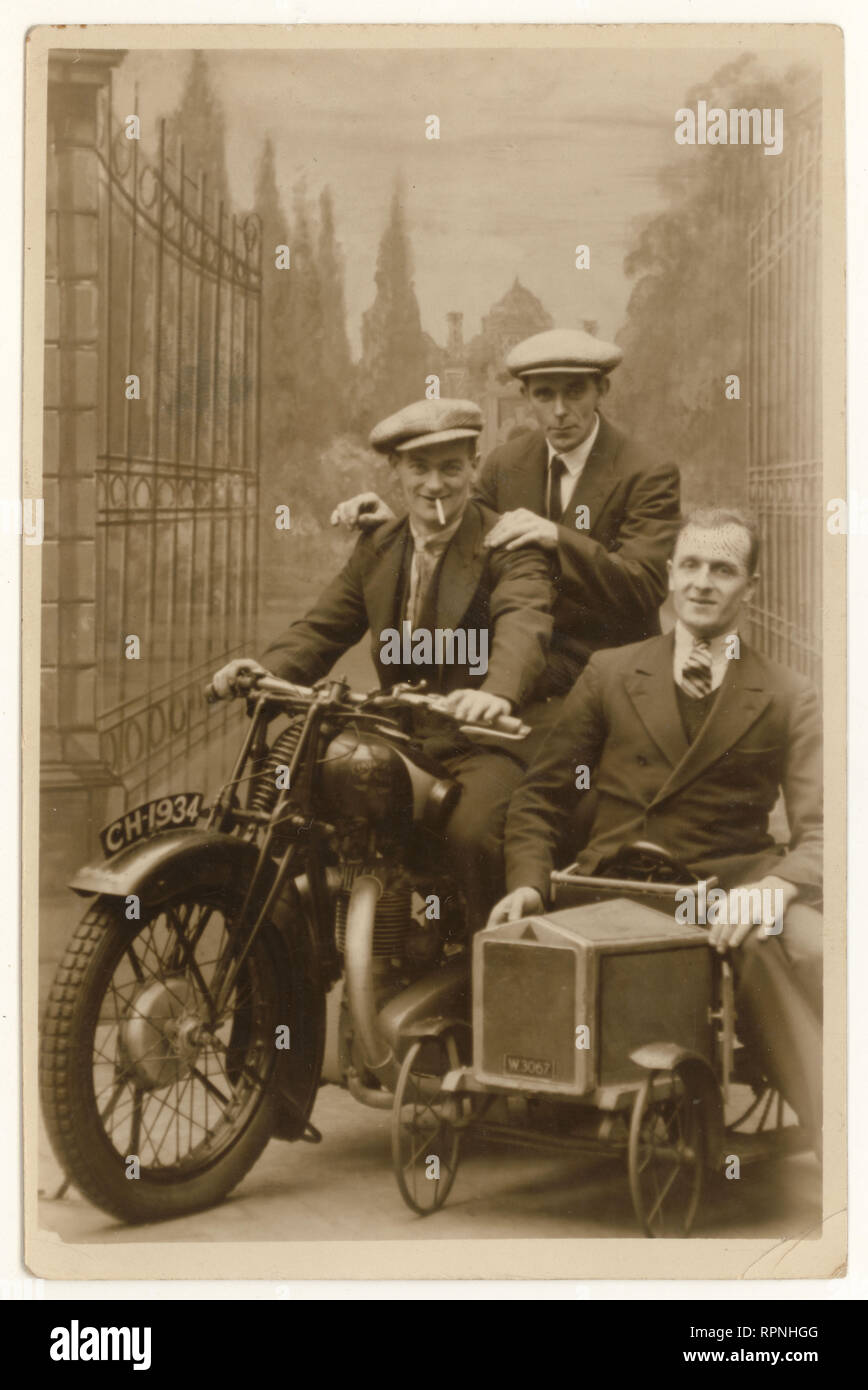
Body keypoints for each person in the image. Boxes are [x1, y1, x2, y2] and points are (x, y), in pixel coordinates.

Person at [488, 508, 823, 1140]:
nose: (702, 583)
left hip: (725, 895)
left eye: (723, 570)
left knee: (772, 942)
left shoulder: (786, 693)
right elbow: (539, 797)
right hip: (618, 891)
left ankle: (838, 1137)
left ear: (750, 587)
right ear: (669, 576)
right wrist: (530, 884)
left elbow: (829, 832)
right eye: (690, 565)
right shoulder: (612, 671)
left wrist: (774, 890)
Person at [210, 397, 553, 930]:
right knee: (298, 810)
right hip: (400, 736)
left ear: (472, 465)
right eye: (419, 468)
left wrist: (497, 692)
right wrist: (264, 671)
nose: (435, 485)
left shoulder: (506, 542)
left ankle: (488, 967)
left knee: (471, 835)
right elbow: (323, 626)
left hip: (482, 743)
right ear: (396, 471)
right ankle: (312, 960)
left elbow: (525, 618)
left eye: (451, 468)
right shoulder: (380, 545)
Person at [330, 328, 680, 759]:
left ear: (601, 389)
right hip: (517, 659)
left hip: (605, 666)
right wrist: (400, 526)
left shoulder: (647, 471)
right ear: (525, 395)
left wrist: (556, 537)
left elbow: (644, 584)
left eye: (574, 393)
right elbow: (463, 539)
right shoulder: (506, 462)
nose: (559, 412)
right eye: (544, 395)